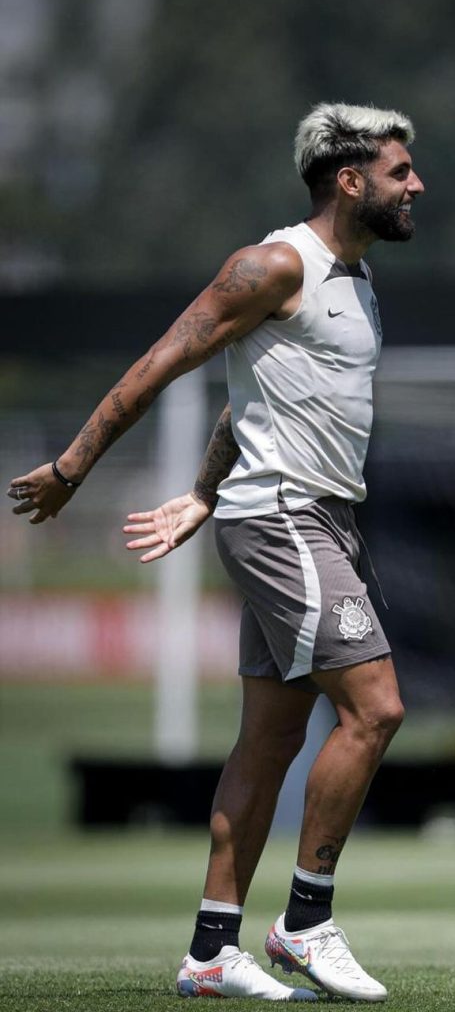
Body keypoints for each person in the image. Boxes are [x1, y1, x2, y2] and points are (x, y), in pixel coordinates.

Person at [8, 101, 425, 1001]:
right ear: (350, 180)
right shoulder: (275, 263)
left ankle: (210, 948)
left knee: (270, 741)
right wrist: (73, 467)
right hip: (284, 519)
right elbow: (167, 357)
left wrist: (202, 493)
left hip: (312, 517)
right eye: (399, 171)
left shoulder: (358, 284)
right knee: (377, 709)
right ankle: (305, 923)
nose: (415, 185)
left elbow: (254, 406)